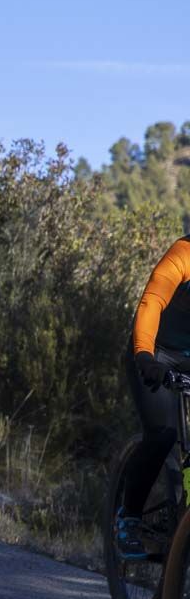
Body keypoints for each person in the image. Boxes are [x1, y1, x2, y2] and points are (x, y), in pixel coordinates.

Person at [117, 237, 190, 558]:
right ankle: (129, 518)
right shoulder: (184, 253)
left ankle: (176, 523)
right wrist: (145, 355)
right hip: (155, 352)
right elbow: (151, 301)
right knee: (163, 435)